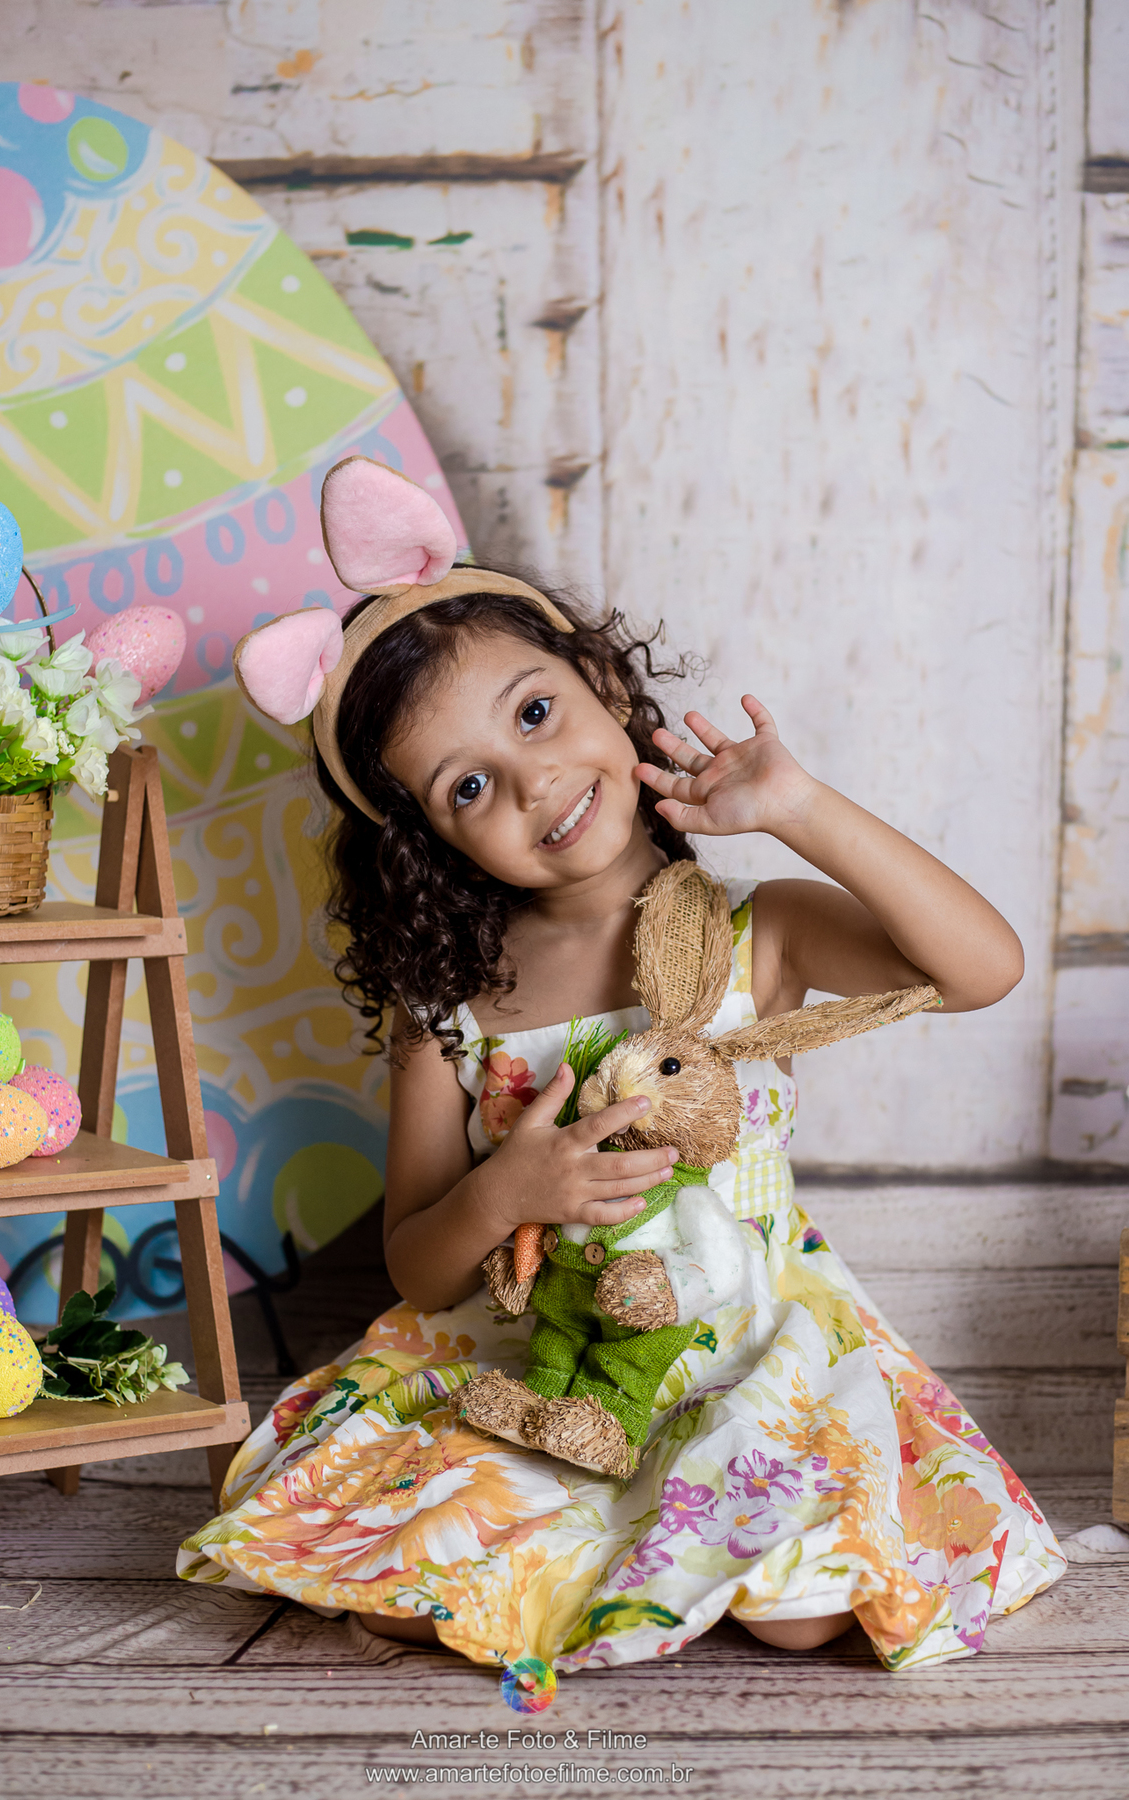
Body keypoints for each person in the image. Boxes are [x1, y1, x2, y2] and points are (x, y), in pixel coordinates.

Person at [178, 456, 1064, 1676]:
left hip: (739, 1340)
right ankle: (573, 1540)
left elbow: (986, 969)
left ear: (600, 682)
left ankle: (659, 1541)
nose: (536, 782)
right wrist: (503, 1196)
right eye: (470, 785)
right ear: (428, 841)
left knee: (806, 1613)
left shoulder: (762, 928)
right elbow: (418, 1269)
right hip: (539, 1352)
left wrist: (800, 806)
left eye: (535, 714)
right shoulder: (449, 1006)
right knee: (396, 1580)